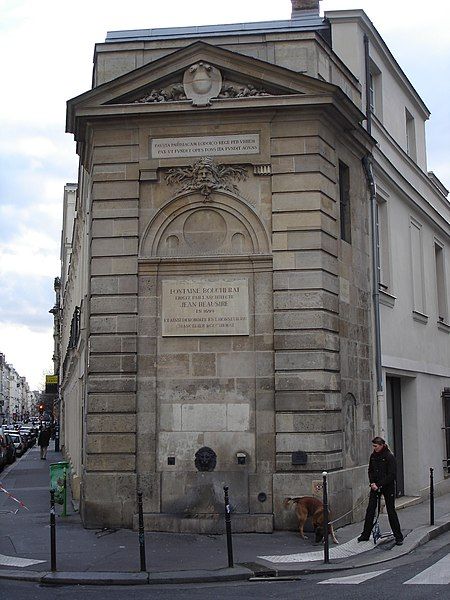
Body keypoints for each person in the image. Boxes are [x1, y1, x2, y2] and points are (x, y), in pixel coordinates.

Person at [358, 436, 404, 545]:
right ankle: (365, 534)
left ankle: (399, 536)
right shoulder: (373, 456)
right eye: (373, 446)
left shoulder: (389, 456)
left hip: (387, 487)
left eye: (376, 446)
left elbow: (392, 475)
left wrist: (378, 484)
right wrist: (372, 483)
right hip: (375, 486)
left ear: (382, 445)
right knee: (370, 510)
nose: (374, 448)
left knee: (391, 511)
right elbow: (370, 470)